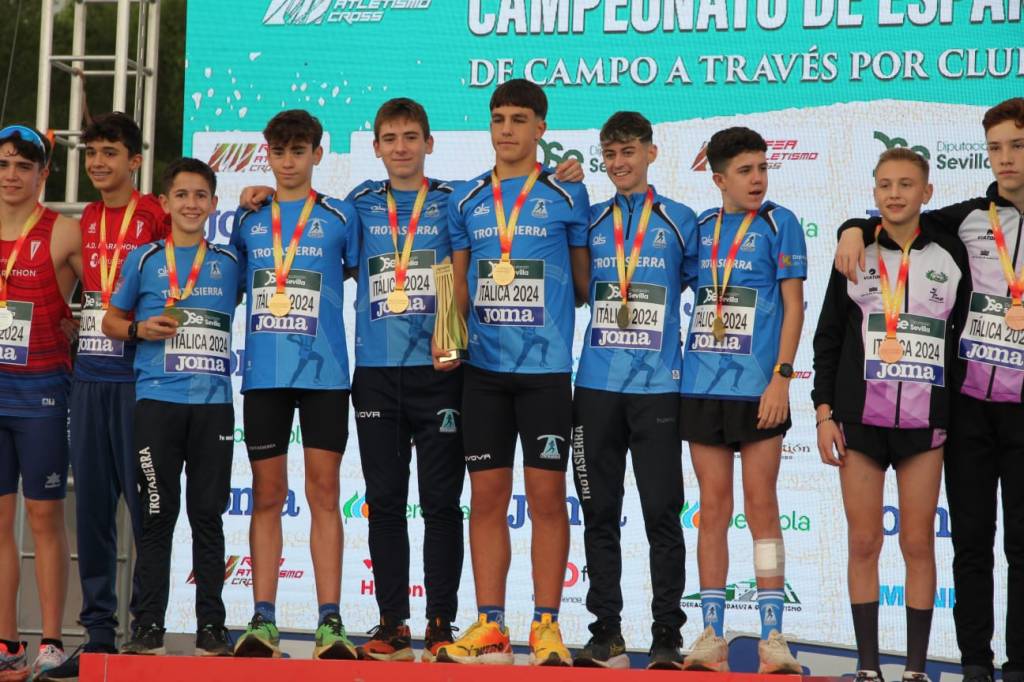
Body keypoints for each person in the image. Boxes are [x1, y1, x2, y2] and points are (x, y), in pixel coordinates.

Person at [833, 97, 1024, 682]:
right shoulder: (963, 221)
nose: (1005, 158)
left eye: (1017, 146)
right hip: (966, 409)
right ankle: (975, 662)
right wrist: (849, 228)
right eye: (995, 148)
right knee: (971, 541)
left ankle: (1020, 663)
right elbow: (896, 220)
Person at [432, 79, 589, 667]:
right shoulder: (466, 199)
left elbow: (582, 286)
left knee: (547, 498)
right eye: (498, 118)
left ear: (541, 128)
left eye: (519, 119)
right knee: (487, 496)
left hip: (545, 371)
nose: (506, 129)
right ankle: (491, 625)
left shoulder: (567, 194)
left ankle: (546, 625)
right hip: (484, 372)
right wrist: (446, 335)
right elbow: (457, 280)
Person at [815, 148, 971, 682]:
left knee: (917, 543)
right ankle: (867, 668)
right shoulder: (853, 252)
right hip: (859, 423)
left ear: (927, 193)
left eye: (906, 184)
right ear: (874, 191)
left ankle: (915, 670)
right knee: (864, 542)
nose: (895, 193)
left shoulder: (951, 253)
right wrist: (823, 413)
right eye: (885, 184)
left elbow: (962, 338)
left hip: (924, 425)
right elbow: (828, 338)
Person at [41, 112, 170, 681]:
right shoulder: (83, 220)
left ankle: (145, 629)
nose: (97, 162)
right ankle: (97, 636)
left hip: (141, 382)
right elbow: (60, 289)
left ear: (134, 161)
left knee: (147, 513)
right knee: (92, 512)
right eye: (91, 152)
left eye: (109, 152)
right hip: (89, 381)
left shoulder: (157, 215)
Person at [230, 109, 361, 660]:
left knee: (324, 493)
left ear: (317, 154)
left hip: (325, 374)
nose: (288, 162)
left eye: (299, 151)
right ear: (268, 154)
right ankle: (263, 618)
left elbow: (354, 273)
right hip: (264, 375)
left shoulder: (340, 216)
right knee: (267, 494)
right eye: (279, 152)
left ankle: (330, 620)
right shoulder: (248, 218)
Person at [570, 111, 697, 670]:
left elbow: (709, 289)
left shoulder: (680, 220)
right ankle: (607, 633)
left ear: (651, 152)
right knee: (598, 513)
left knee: (661, 513)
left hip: (657, 389)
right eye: (610, 154)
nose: (618, 163)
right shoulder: (591, 220)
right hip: (595, 387)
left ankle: (667, 635)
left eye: (628, 151)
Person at [678, 126, 805, 674]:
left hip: (758, 389)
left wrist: (782, 377)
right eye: (745, 171)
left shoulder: (780, 223)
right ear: (719, 179)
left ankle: (773, 637)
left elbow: (794, 306)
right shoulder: (700, 228)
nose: (757, 179)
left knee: (762, 506)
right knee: (712, 510)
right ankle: (712, 634)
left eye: (762, 168)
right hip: (702, 386)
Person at [101, 157, 238, 657]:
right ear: (164, 203)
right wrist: (139, 329)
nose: (191, 204)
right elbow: (111, 321)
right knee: (157, 515)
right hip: (157, 404)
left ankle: (211, 627)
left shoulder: (230, 261)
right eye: (181, 195)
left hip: (213, 407)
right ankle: (148, 626)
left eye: (200, 195)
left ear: (214, 204)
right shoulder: (144, 259)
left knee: (208, 516)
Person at [345, 98, 465, 662]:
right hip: (375, 374)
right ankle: (392, 623)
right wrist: (264, 198)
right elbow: (311, 227)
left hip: (439, 372)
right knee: (385, 502)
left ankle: (441, 623)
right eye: (390, 138)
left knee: (441, 503)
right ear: (376, 147)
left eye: (411, 136)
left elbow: (471, 264)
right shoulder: (359, 203)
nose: (401, 147)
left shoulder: (453, 202)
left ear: (429, 143)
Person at [0, 125, 81, 679]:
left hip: (43, 394)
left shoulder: (63, 231)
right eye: (4, 164)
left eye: (24, 166)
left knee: (45, 516)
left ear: (43, 174)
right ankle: (7, 642)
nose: (12, 175)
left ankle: (51, 640)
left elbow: (112, 288)